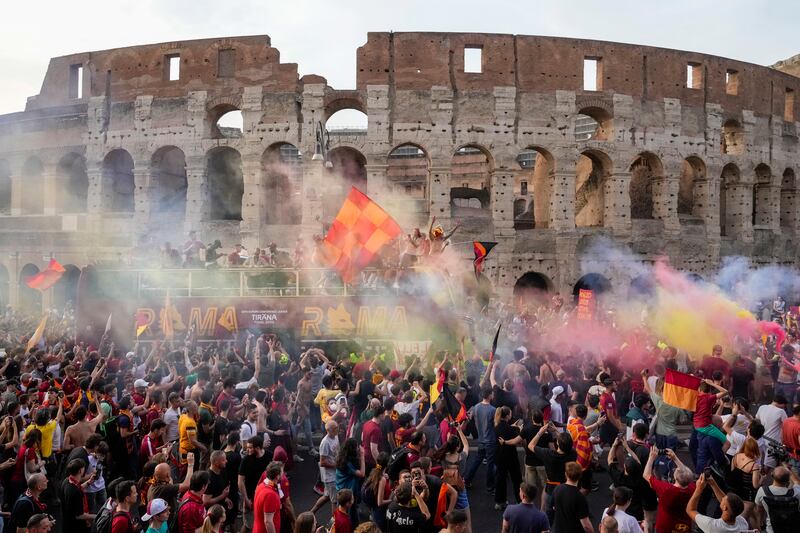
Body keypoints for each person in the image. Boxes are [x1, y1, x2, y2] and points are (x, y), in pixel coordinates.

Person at [643, 446, 695, 533]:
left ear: (675, 477)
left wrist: (651, 458)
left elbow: (646, 475)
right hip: (684, 527)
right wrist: (675, 458)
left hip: (665, 527)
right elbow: (687, 475)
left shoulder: (667, 489)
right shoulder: (693, 488)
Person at [463, 388, 497, 494]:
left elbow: (470, 418)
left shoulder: (476, 407)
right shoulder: (493, 410)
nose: (493, 395)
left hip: (481, 439)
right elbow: (495, 425)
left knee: (477, 461)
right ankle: (490, 487)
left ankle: (467, 480)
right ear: (489, 395)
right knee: (490, 465)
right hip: (490, 440)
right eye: (492, 394)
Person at [754, 465, 800, 533]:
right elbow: (797, 481)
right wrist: (788, 469)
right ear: (788, 479)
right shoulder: (796, 492)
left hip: (772, 529)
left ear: (772, 476)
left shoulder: (763, 491)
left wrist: (760, 522)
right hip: (793, 528)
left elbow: (759, 510)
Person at [494, 406, 523, 510]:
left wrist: (512, 427)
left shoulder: (496, 426)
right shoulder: (511, 429)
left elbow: (505, 430)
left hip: (499, 456)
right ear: (507, 415)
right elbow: (518, 441)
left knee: (500, 478)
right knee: (517, 479)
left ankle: (499, 501)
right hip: (511, 457)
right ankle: (520, 501)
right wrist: (519, 429)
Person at [551, 462, 593, 533]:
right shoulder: (579, 497)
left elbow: (554, 507)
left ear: (565, 474)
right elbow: (586, 525)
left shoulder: (557, 489)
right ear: (580, 476)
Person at [61, 458, 96, 533]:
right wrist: (95, 516)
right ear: (80, 471)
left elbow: (78, 488)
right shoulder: (75, 492)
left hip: (67, 523)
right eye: (83, 468)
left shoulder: (67, 481)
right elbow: (79, 515)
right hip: (76, 527)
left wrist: (89, 482)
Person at [756, 394, 789, 468]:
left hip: (761, 439)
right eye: (784, 405)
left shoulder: (762, 407)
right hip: (774, 442)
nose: (784, 407)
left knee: (761, 463)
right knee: (770, 466)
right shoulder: (781, 411)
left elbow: (757, 420)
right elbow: (787, 426)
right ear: (781, 403)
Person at [253, 461, 283, 533]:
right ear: (277, 476)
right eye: (282, 472)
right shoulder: (270, 495)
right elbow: (268, 522)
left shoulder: (262, 485)